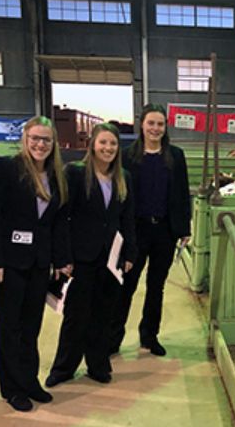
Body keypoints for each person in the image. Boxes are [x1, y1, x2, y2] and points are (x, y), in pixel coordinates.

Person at [0, 116, 71, 412]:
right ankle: (12, 388)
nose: (40, 144)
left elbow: (57, 222)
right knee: (10, 326)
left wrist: (60, 260)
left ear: (53, 144)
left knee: (31, 325)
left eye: (46, 139)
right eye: (35, 138)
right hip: (8, 262)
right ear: (25, 138)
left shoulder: (56, 174)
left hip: (38, 263)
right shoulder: (5, 169)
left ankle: (29, 380)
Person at [45, 123, 137, 387]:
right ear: (92, 145)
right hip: (81, 256)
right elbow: (62, 217)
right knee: (76, 315)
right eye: (103, 143)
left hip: (111, 258)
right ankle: (63, 368)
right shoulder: (75, 174)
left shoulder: (124, 178)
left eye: (113, 144)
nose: (108, 148)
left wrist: (130, 252)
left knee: (103, 314)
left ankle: (97, 364)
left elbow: (127, 219)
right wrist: (63, 257)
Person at [108, 104, 191, 357]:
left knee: (157, 287)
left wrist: (184, 227)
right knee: (126, 286)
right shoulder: (127, 156)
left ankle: (149, 336)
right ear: (142, 125)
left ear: (165, 128)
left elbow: (182, 192)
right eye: (151, 123)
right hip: (135, 231)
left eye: (160, 124)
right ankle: (113, 338)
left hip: (164, 231)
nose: (155, 128)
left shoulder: (175, 156)